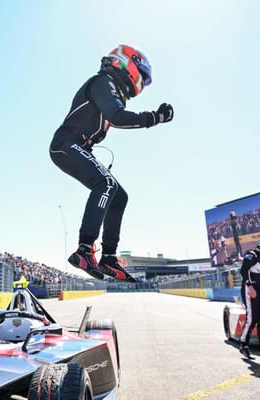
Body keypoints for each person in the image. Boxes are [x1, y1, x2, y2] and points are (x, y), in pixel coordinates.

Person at [49, 44, 174, 281]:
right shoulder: (103, 82)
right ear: (128, 64)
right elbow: (117, 117)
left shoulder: (110, 88)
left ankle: (108, 256)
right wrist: (155, 117)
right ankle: (85, 249)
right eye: (143, 76)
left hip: (76, 146)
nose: (143, 83)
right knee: (106, 184)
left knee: (119, 196)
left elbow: (116, 118)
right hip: (65, 144)